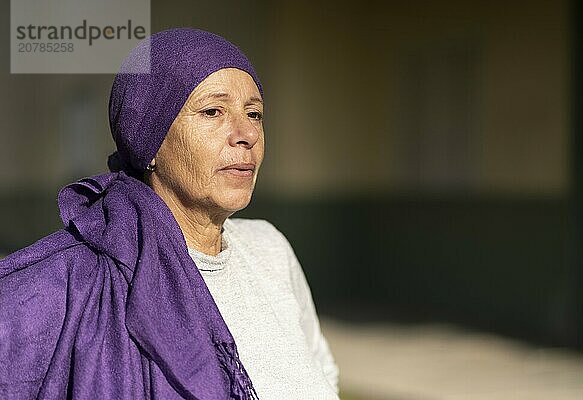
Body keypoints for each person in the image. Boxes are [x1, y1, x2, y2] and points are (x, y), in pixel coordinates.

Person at [0, 28, 340, 400]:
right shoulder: (66, 283)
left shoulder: (270, 249)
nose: (246, 134)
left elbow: (324, 372)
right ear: (150, 140)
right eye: (213, 112)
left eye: (254, 114)